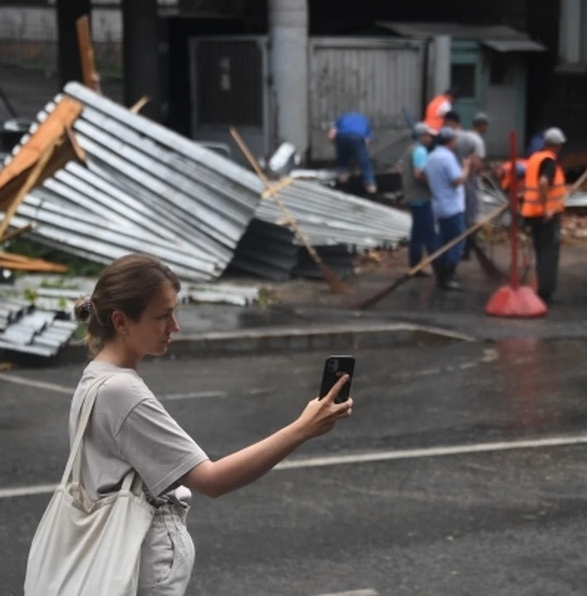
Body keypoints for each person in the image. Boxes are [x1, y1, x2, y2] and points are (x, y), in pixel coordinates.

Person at [61, 254, 353, 595]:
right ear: (121, 321)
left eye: (174, 312)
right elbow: (212, 480)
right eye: (162, 316)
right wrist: (303, 429)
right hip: (138, 572)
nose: (175, 326)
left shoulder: (95, 377)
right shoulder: (122, 391)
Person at [522, 127, 567, 304]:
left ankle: (542, 288)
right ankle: (545, 292)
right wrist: (545, 208)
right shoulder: (549, 162)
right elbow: (542, 183)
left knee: (541, 251)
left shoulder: (534, 158)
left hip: (532, 214)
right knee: (549, 253)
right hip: (546, 215)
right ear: (556, 146)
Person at [423, 127, 470, 291]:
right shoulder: (447, 158)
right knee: (457, 240)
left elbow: (424, 176)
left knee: (442, 241)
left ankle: (441, 274)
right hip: (452, 206)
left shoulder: (431, 157)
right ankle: (448, 275)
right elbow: (456, 180)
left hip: (438, 205)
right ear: (450, 141)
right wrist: (466, 168)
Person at [400, 122, 438, 276]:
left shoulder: (409, 150)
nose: (431, 139)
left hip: (412, 196)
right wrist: (434, 184)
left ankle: (414, 266)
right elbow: (419, 173)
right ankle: (439, 267)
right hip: (421, 197)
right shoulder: (420, 151)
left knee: (417, 234)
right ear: (422, 136)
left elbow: (400, 168)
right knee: (430, 235)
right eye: (429, 135)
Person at [453, 113, 490, 261]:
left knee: (462, 214)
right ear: (481, 125)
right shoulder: (477, 141)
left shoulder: (464, 136)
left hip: (459, 179)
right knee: (471, 216)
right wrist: (481, 171)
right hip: (471, 181)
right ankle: (467, 249)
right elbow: (477, 164)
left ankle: (464, 248)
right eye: (486, 125)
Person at [328, 111, 377, 195]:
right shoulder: (364, 120)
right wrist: (361, 152)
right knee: (365, 165)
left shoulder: (342, 118)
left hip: (341, 136)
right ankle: (371, 188)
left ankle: (342, 183)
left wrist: (337, 145)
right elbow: (367, 141)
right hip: (357, 137)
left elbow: (331, 135)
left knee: (342, 161)